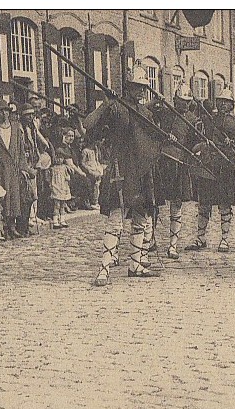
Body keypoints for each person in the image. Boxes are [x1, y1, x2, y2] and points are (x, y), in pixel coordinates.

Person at [77, 64, 176, 285]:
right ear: (128, 86)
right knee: (115, 221)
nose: (141, 91)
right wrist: (106, 104)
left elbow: (154, 139)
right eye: (136, 87)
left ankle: (136, 265)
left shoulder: (146, 113)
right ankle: (104, 268)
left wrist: (167, 139)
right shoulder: (116, 109)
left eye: (143, 87)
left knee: (141, 218)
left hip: (143, 170)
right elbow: (88, 124)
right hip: (121, 170)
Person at [184, 87, 235, 254]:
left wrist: (232, 142)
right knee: (204, 204)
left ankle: (225, 239)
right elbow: (197, 140)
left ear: (232, 105)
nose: (223, 105)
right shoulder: (208, 120)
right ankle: (200, 238)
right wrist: (204, 144)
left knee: (225, 204)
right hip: (208, 166)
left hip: (226, 166)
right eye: (221, 101)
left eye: (227, 102)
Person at [150, 82, 199, 259]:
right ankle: (150, 240)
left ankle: (173, 245)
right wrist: (156, 100)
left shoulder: (193, 120)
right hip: (162, 161)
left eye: (186, 102)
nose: (182, 105)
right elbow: (145, 113)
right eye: (179, 101)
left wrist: (197, 149)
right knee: (154, 202)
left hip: (180, 164)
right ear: (175, 99)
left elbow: (196, 144)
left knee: (176, 206)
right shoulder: (165, 112)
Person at [0, 99, 33, 238]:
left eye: (6, 111)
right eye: (1, 111)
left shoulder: (15, 128)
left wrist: (23, 168)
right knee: (2, 199)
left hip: (14, 167)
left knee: (14, 198)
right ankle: (2, 227)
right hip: (0, 169)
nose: (4, 114)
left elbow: (21, 150)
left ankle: (12, 226)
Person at [50, 147, 73, 229]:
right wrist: (52, 186)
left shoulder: (65, 168)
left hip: (63, 188)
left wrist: (67, 177)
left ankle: (62, 220)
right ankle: (55, 221)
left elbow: (68, 177)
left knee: (62, 205)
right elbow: (50, 179)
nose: (59, 159)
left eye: (61, 158)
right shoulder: (53, 169)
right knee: (56, 205)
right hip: (56, 187)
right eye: (57, 157)